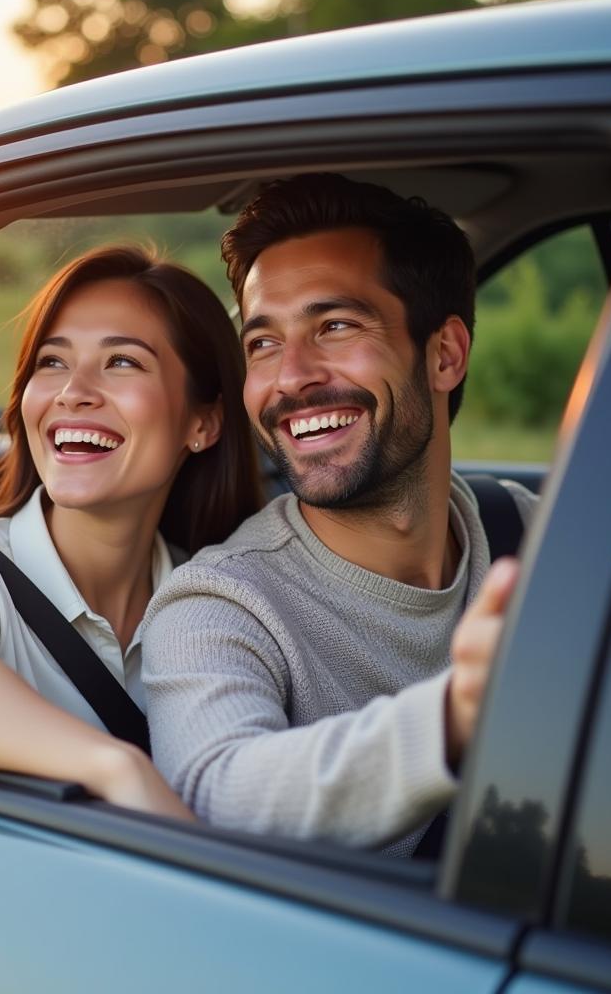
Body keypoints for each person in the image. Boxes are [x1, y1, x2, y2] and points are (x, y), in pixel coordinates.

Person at [141, 174, 537, 853]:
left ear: (444, 354)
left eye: (335, 326)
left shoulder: (528, 535)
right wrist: (452, 717)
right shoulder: (219, 605)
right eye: (263, 342)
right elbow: (218, 791)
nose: (290, 376)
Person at [0, 244, 262, 819]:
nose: (73, 391)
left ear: (203, 423)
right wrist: (118, 768)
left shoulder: (218, 596)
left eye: (122, 362)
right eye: (51, 362)